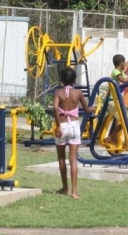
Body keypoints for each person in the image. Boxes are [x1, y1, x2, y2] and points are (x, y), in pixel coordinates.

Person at [52, 67, 95, 199]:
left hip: (62, 126)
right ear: (74, 79)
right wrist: (94, 108)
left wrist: (58, 125)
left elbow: (55, 107)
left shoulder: (58, 92)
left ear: (61, 79)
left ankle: (65, 188)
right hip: (74, 127)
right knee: (73, 160)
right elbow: (87, 109)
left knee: (61, 158)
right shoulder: (78, 93)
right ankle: (74, 192)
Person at [104, 54, 128, 145]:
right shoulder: (115, 72)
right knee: (125, 120)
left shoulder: (121, 72)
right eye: (124, 63)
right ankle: (111, 137)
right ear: (122, 64)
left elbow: (127, 78)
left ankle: (111, 137)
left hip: (117, 100)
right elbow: (124, 80)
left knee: (126, 121)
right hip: (113, 101)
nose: (125, 65)